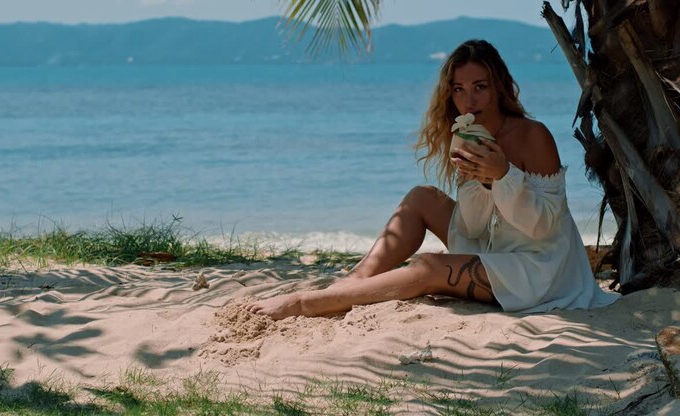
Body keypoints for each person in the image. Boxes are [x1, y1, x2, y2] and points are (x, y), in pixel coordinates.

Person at [248, 39, 619, 320]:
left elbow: (545, 231)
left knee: (429, 267)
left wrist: (502, 176)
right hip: (493, 248)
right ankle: (352, 282)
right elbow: (473, 226)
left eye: (480, 86)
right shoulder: (467, 136)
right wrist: (478, 181)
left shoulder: (532, 135)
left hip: (540, 271)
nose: (469, 100)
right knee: (422, 196)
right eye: (459, 89)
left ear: (500, 87)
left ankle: (305, 303)